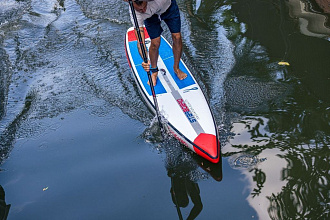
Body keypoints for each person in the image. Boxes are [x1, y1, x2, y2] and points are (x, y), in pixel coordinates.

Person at [124, 0, 187, 86]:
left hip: (169, 7)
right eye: (140, 10)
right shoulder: (135, 13)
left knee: (177, 37)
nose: (143, 10)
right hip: (151, 17)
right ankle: (154, 72)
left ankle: (176, 68)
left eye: (144, 7)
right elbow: (140, 42)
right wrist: (145, 59)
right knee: (155, 43)